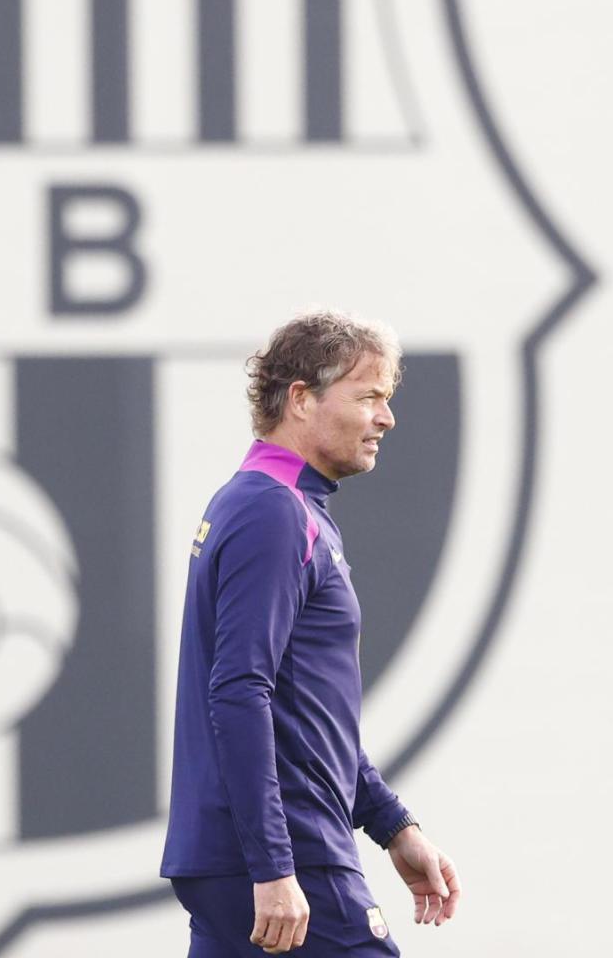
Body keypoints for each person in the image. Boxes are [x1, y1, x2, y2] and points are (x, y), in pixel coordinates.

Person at [161, 310, 462, 956]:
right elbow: (239, 693)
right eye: (369, 397)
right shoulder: (274, 512)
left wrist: (393, 826)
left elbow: (306, 713)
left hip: (243, 857)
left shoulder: (272, 504)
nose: (387, 418)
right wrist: (274, 867)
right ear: (301, 399)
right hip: (289, 857)